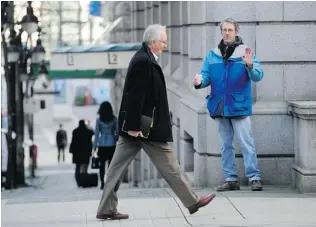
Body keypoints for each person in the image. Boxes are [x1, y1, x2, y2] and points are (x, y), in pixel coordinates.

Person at [96, 24, 216, 220]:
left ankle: (106, 208)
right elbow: (136, 95)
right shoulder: (144, 61)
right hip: (144, 129)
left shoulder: (145, 58)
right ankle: (193, 201)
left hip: (138, 127)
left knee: (116, 169)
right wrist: (135, 127)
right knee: (170, 165)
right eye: (163, 41)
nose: (165, 45)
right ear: (153, 42)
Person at [193, 18, 264, 191]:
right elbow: (206, 76)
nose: (227, 32)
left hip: (239, 106)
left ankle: (254, 177)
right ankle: (231, 179)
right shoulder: (213, 54)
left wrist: (249, 66)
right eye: (224, 30)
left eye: (230, 30)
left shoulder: (245, 52)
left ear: (236, 32)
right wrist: (199, 82)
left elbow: (258, 76)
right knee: (225, 145)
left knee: (246, 142)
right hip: (220, 105)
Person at [93, 101, 118, 190]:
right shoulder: (114, 119)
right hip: (112, 144)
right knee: (111, 166)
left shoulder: (99, 120)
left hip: (102, 145)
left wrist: (95, 146)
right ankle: (111, 183)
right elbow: (118, 133)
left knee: (102, 166)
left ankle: (103, 183)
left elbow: (96, 134)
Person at [69, 119, 94, 187]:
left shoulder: (75, 131)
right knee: (85, 166)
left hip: (77, 152)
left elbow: (73, 141)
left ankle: (78, 181)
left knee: (77, 167)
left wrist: (71, 150)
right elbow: (92, 133)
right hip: (86, 151)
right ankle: (84, 180)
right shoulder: (88, 131)